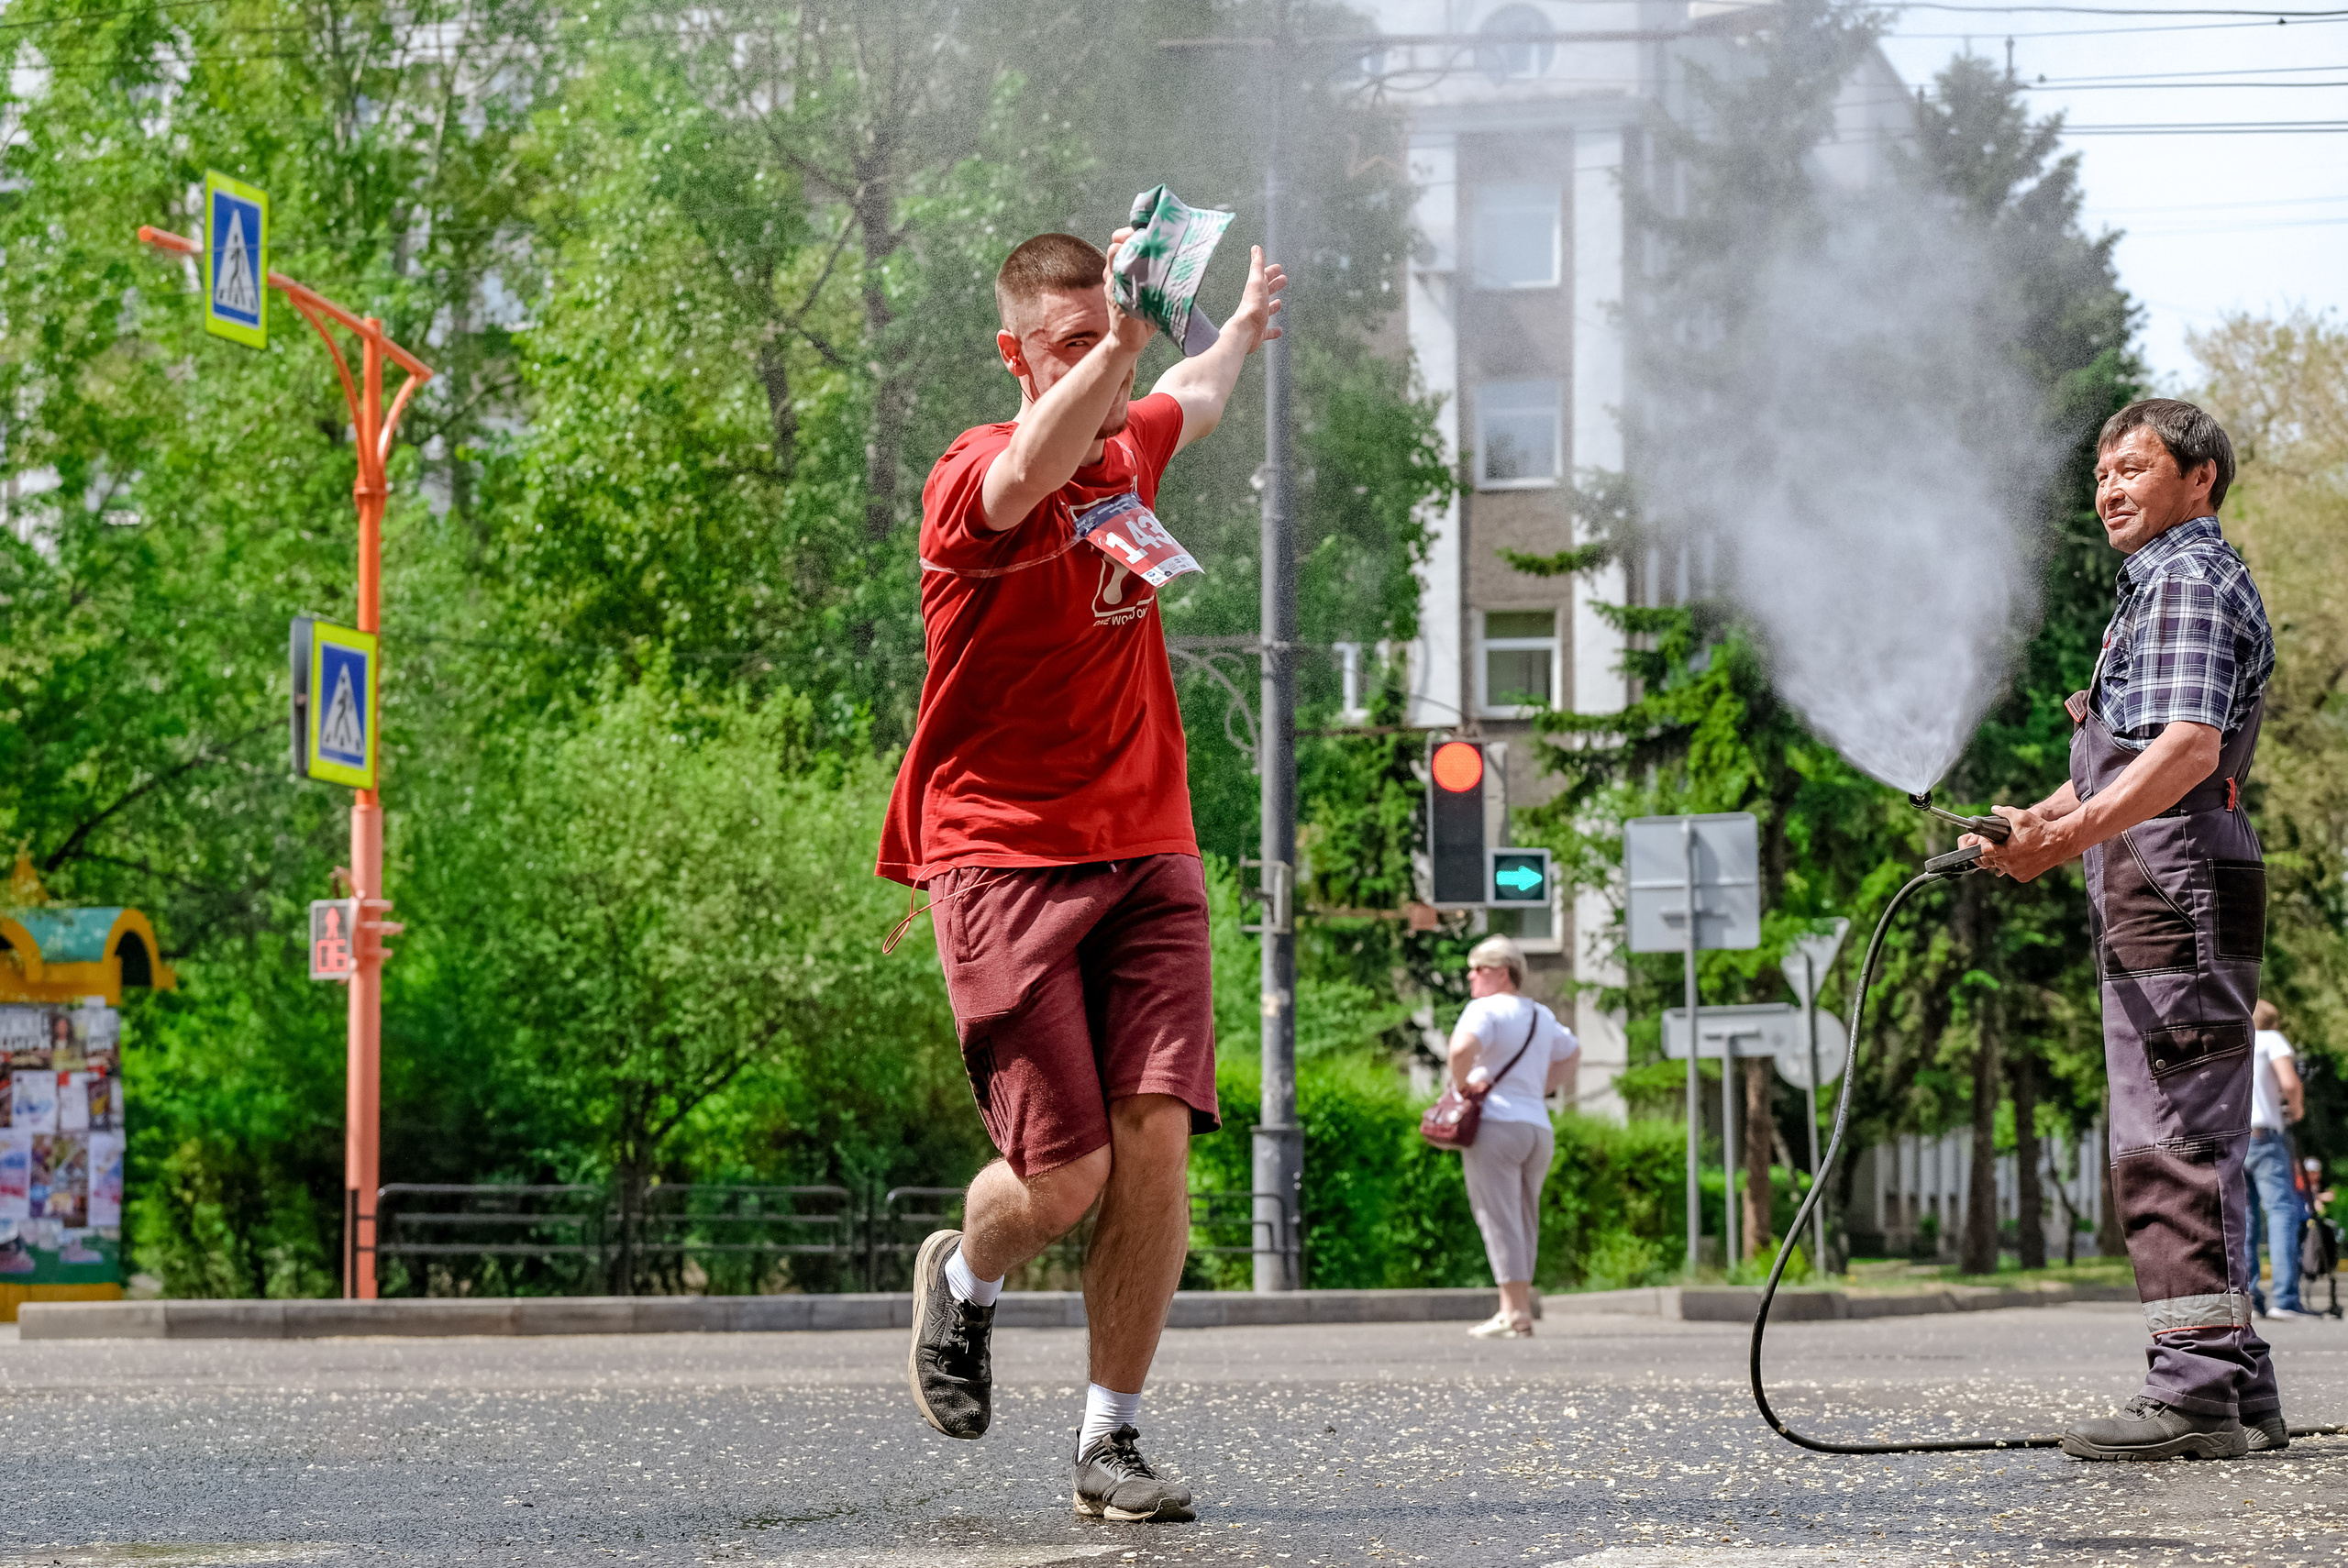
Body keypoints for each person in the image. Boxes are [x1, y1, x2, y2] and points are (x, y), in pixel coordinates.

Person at [876, 225, 1285, 1524]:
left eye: (1108, 338)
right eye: (1067, 346)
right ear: (1017, 354)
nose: (1099, 368)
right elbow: (1025, 472)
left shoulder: (1128, 449)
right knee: (1064, 1178)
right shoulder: (971, 476)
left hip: (1148, 844)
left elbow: (1190, 396)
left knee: (1154, 1133)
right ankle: (966, 1276)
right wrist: (1120, 345)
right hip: (1001, 855)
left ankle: (1113, 1437)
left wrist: (1238, 330)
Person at [1970, 398, 2280, 1460]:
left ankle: (2191, 1396)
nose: (2107, 488)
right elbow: (2125, 759)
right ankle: (2238, 1385)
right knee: (2187, 1124)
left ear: (2198, 480)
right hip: (2170, 868)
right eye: (2100, 472)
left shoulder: (2185, 579)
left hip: (2171, 875)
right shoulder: (2165, 584)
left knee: (2171, 1134)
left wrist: (2063, 840)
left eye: (2132, 468)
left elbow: (2186, 750)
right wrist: (2034, 820)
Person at [1446, 934, 1579, 1340]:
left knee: (1497, 1216)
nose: (1471, 976)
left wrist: (1462, 1087)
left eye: (1479, 969)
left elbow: (1460, 1050)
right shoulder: (1541, 1015)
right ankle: (1518, 1309)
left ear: (1503, 973)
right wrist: (1541, 1088)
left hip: (1497, 1125)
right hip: (1537, 1127)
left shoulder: (1484, 1009)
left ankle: (1513, 1310)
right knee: (1524, 1217)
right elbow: (1572, 1052)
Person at [2247, 1000, 2317, 1319]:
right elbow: (2289, 1082)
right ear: (2274, 1021)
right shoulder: (2271, 1039)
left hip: (2235, 1136)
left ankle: (2248, 1297)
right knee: (2281, 1213)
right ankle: (2285, 1298)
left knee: (2244, 1218)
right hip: (2264, 1136)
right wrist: (2296, 1108)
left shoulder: (2238, 1039)